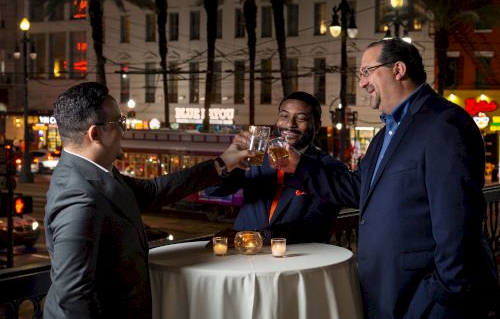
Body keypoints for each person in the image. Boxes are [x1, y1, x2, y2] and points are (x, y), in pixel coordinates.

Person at [271, 39, 499, 318]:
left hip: (427, 300)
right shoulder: (385, 135)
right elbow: (359, 189)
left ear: (398, 69)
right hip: (391, 293)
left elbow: (457, 227)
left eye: (367, 71)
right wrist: (299, 166)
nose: (363, 83)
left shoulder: (444, 124)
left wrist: (443, 299)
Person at [43, 82, 252, 319]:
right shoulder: (78, 196)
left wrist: (222, 163)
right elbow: (73, 296)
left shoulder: (94, 173)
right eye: (119, 123)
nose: (125, 130)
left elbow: (153, 191)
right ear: (95, 133)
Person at [207, 91, 347, 244]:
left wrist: (257, 236)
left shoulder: (330, 168)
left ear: (317, 126)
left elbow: (315, 224)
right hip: (244, 255)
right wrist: (226, 162)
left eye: (301, 118)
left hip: (295, 258)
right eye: (284, 116)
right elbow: (213, 191)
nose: (290, 124)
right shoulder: (257, 155)